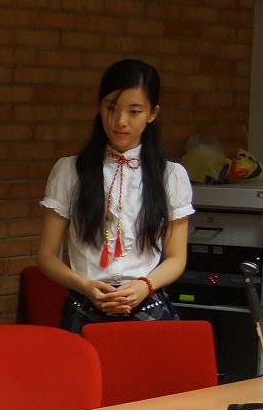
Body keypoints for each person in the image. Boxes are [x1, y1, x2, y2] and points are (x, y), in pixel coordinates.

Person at [37, 59, 193, 333]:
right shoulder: (69, 170)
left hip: (146, 302)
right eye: (111, 108)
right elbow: (47, 255)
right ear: (100, 107)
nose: (120, 121)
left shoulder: (171, 175)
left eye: (134, 111)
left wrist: (144, 286)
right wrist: (85, 285)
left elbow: (176, 258)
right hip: (84, 302)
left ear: (152, 113)